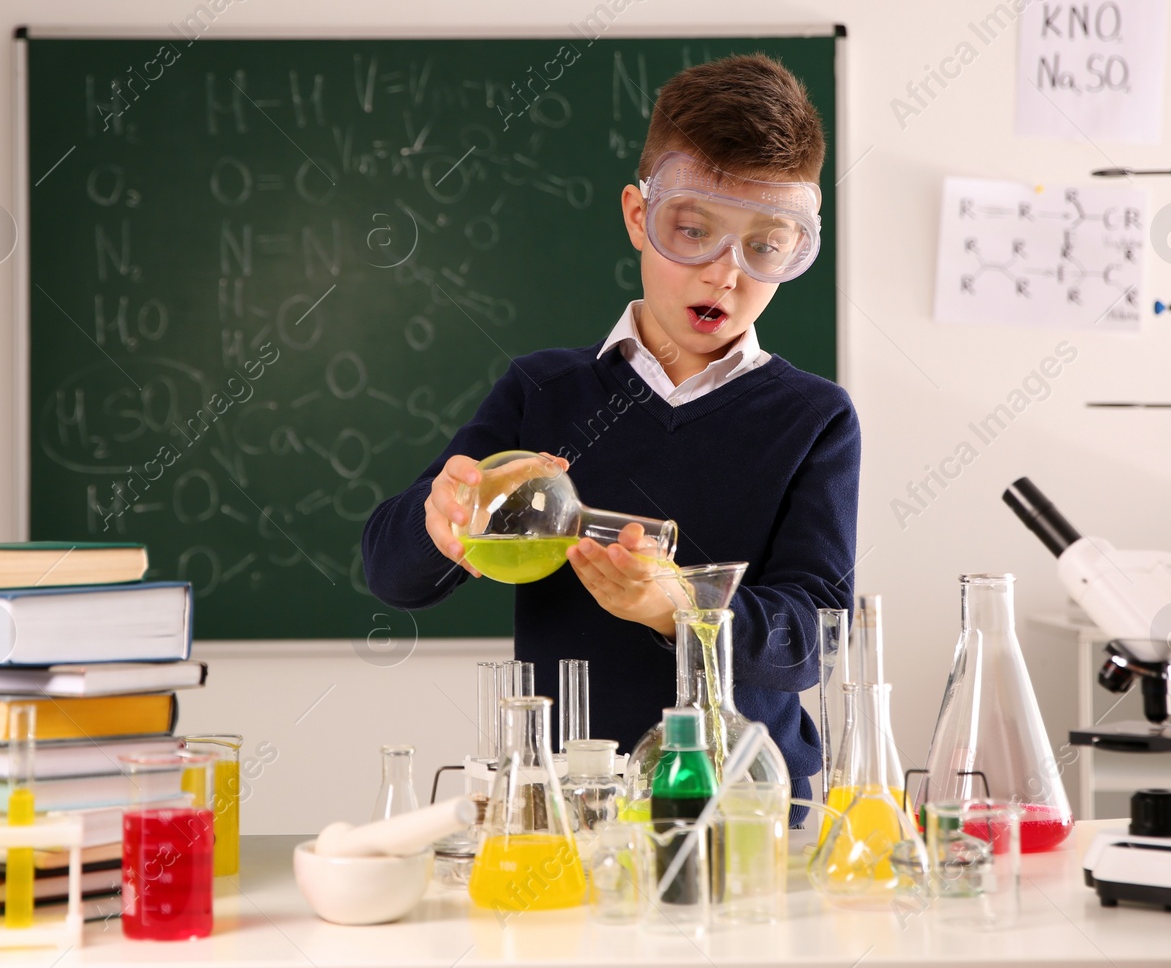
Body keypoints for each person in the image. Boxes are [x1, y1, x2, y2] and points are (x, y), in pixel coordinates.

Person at [361, 53, 859, 806]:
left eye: (764, 246)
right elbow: (391, 574)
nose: (724, 274)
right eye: (692, 230)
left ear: (795, 248)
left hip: (748, 805)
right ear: (638, 216)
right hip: (570, 803)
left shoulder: (814, 418)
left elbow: (812, 638)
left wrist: (680, 608)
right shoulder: (543, 392)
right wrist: (441, 519)